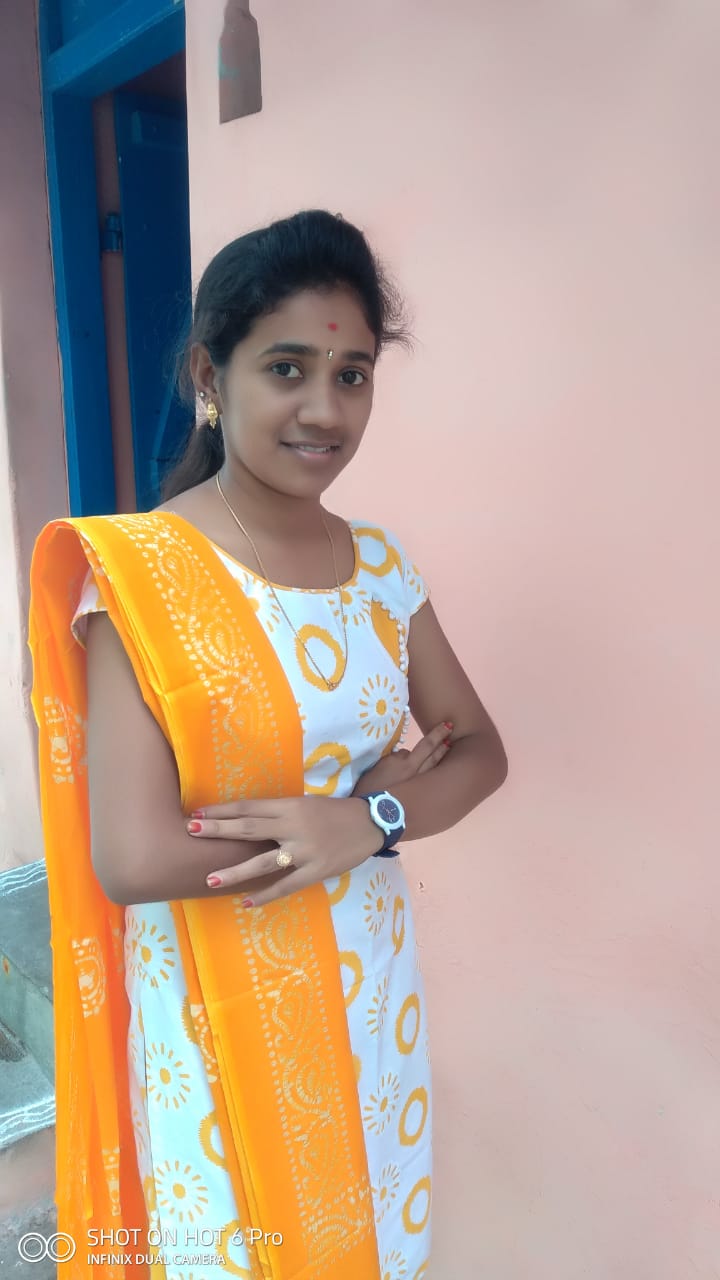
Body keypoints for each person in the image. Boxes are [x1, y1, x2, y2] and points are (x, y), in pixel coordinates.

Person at [29, 209, 508, 1279]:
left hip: (368, 988)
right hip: (216, 1000)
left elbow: (478, 751)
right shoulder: (144, 576)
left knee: (373, 1238)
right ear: (213, 374)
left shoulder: (380, 566)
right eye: (287, 368)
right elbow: (134, 857)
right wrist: (344, 824)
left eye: (352, 375)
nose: (325, 409)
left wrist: (372, 817)